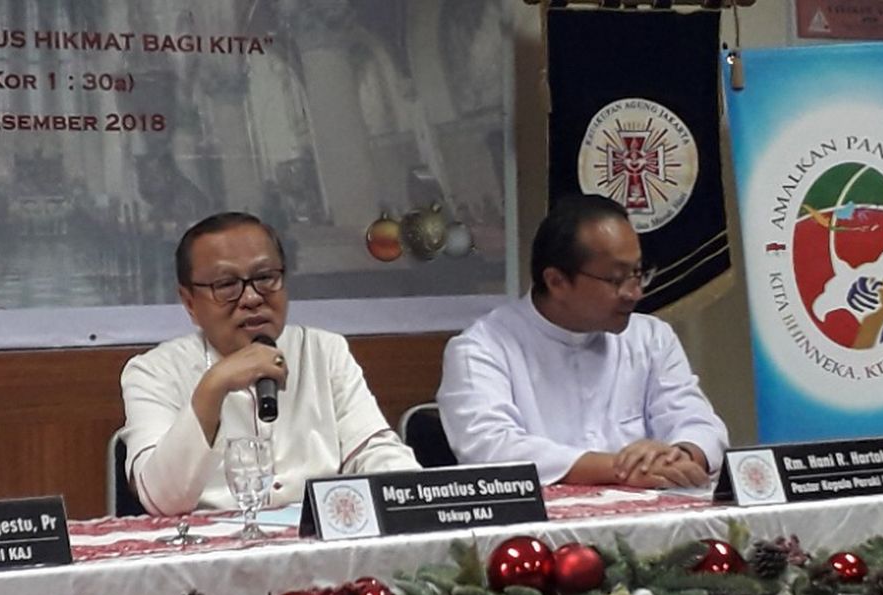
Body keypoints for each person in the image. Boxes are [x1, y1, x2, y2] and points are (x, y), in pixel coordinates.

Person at [121, 211, 418, 515]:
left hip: (317, 545)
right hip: (210, 554)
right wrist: (214, 385)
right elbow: (161, 500)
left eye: (265, 278)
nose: (251, 298)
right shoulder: (152, 372)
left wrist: (416, 500)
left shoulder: (323, 351)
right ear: (189, 302)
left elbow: (375, 451)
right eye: (226, 285)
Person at [437, 194, 728, 488]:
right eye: (616, 279)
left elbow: (700, 423)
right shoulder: (481, 348)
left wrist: (679, 454)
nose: (634, 293)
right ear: (556, 282)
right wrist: (621, 469)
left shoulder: (651, 338)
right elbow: (491, 451)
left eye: (638, 273)